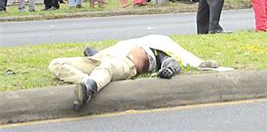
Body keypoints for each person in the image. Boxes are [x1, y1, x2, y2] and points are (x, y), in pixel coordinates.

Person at [49, 35, 221, 111]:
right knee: (56, 63)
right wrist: (92, 53)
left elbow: (171, 62)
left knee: (107, 68)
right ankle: (86, 81)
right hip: (100, 58)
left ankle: (89, 88)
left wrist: (169, 69)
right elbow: (95, 52)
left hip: (124, 64)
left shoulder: (154, 51)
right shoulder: (131, 42)